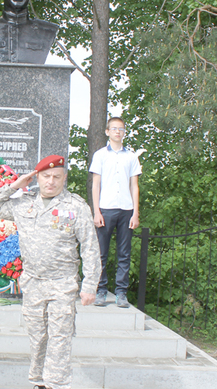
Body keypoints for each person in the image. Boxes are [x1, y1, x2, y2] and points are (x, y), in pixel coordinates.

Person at [0, 155, 100, 389]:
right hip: (33, 284)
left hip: (62, 283)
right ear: (37, 178)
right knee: (38, 339)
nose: (51, 181)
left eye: (57, 177)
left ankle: (56, 383)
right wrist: (15, 186)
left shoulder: (76, 206)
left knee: (60, 338)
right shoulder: (24, 202)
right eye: (46, 176)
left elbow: (90, 247)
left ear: (64, 178)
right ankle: (38, 382)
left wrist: (89, 285)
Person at [89, 117, 142, 309]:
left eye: (121, 129)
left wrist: (135, 213)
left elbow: (134, 186)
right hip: (106, 209)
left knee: (124, 253)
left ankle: (121, 293)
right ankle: (101, 290)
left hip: (126, 210)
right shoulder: (101, 155)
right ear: (107, 131)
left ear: (124, 132)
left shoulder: (131, 157)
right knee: (101, 253)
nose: (117, 132)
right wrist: (97, 211)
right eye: (114, 128)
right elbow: (96, 184)